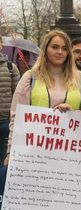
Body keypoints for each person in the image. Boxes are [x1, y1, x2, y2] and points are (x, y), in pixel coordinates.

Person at [0, 35, 20, 166]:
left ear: (1, 45)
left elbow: (18, 97)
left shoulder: (10, 67)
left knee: (3, 163)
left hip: (4, 122)